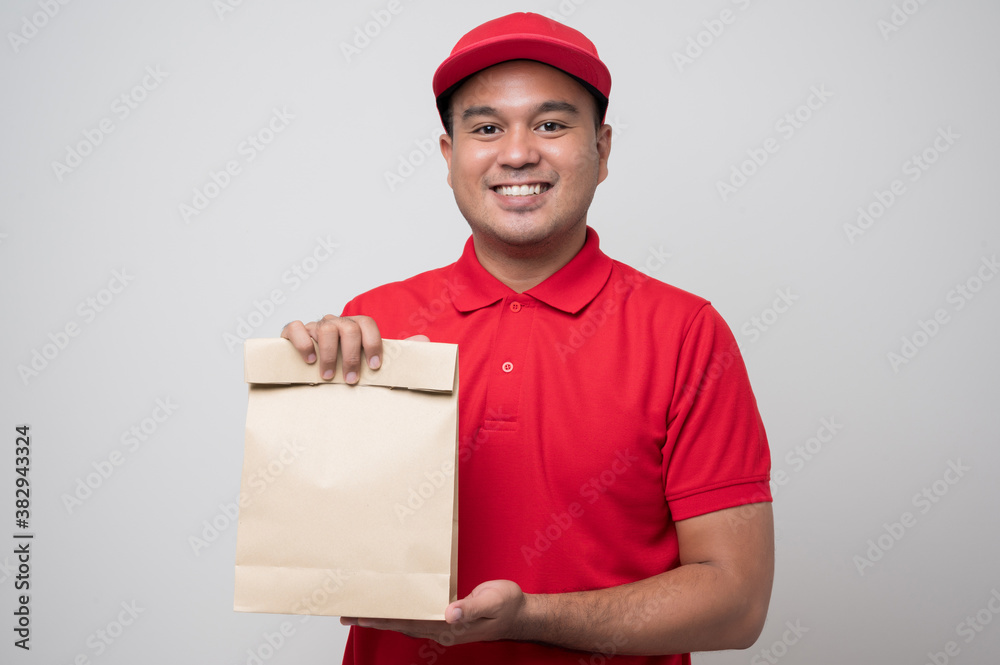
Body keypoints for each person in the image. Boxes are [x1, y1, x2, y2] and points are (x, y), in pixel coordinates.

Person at [281, 12, 774, 665]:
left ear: (602, 150)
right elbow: (321, 551)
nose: (517, 152)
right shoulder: (374, 323)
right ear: (449, 155)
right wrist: (305, 393)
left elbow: (736, 602)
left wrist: (532, 617)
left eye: (551, 124)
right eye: (486, 128)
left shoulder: (686, 332)